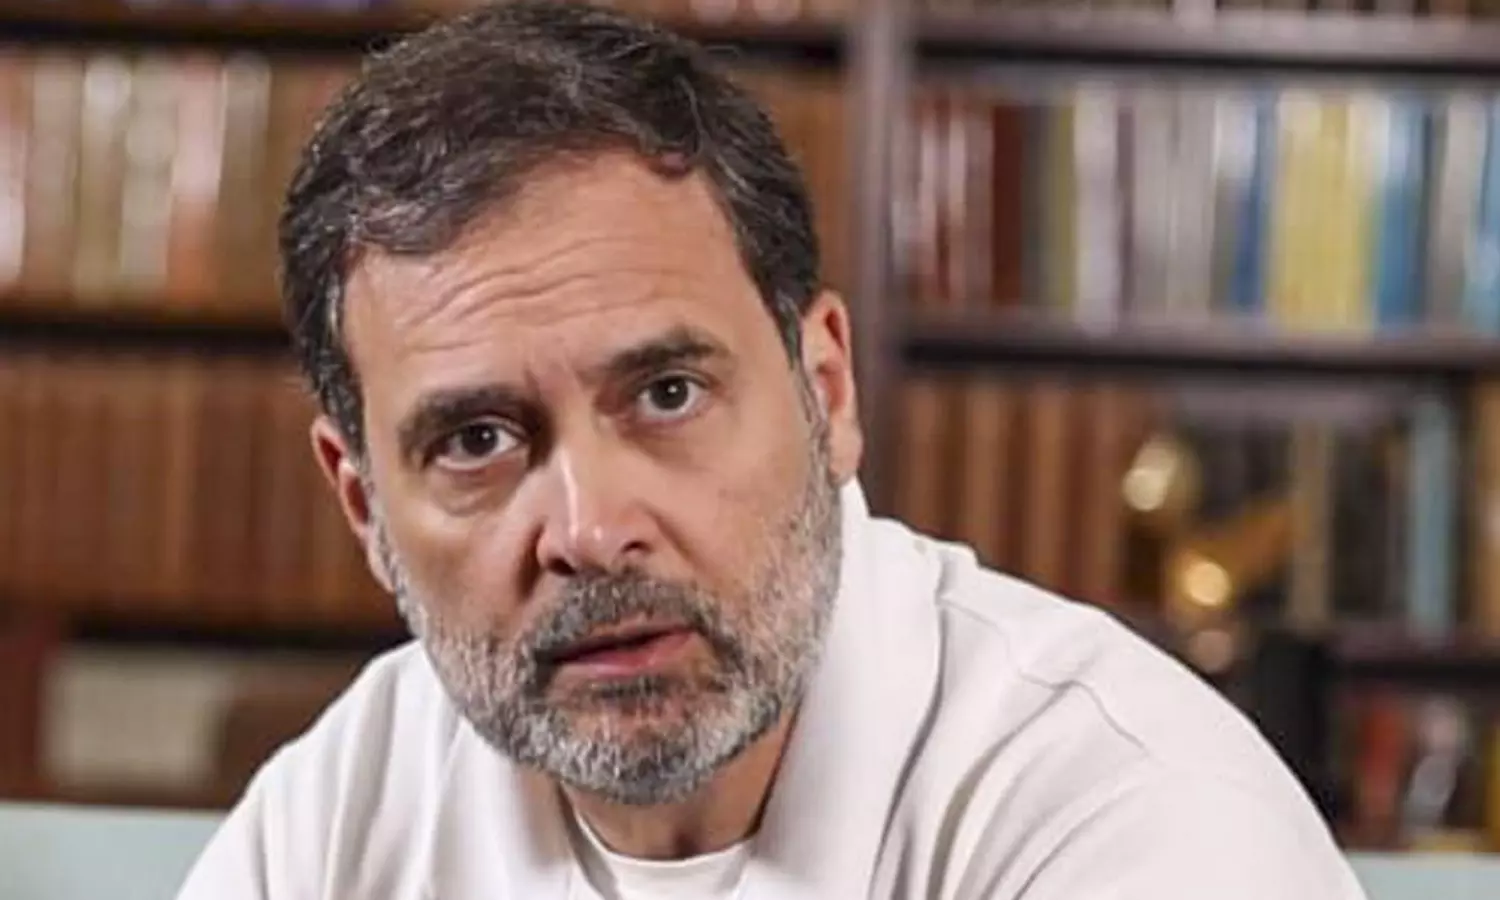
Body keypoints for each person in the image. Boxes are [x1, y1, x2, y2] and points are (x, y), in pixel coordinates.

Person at [176, 2, 1369, 897]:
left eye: (667, 394)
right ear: (364, 505)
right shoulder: (336, 816)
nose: (590, 530)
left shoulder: (1137, 819)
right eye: (477, 439)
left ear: (826, 392)